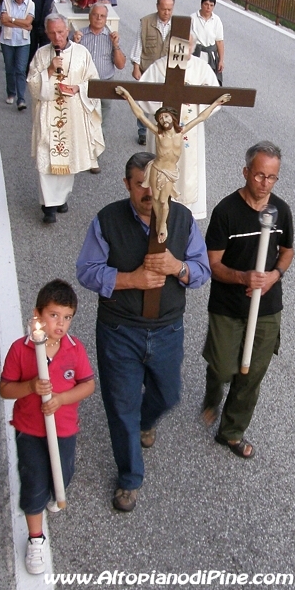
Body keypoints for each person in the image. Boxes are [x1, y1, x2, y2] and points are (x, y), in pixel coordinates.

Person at [76, 152, 211, 512]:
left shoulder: (182, 219)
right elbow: (86, 270)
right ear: (127, 185)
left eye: (157, 184)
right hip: (119, 329)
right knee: (120, 405)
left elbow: (201, 270)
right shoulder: (107, 219)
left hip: (167, 328)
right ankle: (129, 477)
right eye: (141, 185)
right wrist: (129, 279)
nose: (150, 193)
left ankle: (146, 420)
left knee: (168, 395)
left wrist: (177, 267)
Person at [202, 141, 294, 459]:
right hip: (228, 305)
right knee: (224, 366)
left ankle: (231, 431)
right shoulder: (226, 212)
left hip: (267, 307)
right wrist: (243, 278)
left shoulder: (281, 211)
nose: (264, 183)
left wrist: (274, 276)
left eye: (271, 177)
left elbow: (287, 251)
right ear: (246, 172)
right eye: (259, 176)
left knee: (251, 373)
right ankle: (213, 392)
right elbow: (213, 264)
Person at [0, 279, 95, 575]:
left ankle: (54, 493)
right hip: (30, 428)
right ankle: (35, 538)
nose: (60, 324)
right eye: (53, 315)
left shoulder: (73, 349)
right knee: (33, 481)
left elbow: (88, 385)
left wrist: (62, 398)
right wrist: (29, 386)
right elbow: (5, 389)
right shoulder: (20, 349)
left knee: (62, 474)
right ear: (37, 315)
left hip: (64, 428)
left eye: (67, 318)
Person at [115, 87, 230, 243]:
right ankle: (158, 225)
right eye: (161, 118)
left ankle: (162, 225)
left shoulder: (180, 133)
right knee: (155, 197)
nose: (164, 120)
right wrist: (128, 96)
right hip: (157, 168)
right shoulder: (158, 133)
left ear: (173, 118)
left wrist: (216, 102)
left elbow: (201, 117)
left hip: (170, 171)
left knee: (164, 200)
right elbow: (140, 115)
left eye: (167, 117)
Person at [27, 13, 104, 223]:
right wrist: (50, 70)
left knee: (68, 157)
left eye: (60, 32)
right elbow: (33, 85)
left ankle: (60, 199)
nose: (57, 37)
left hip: (72, 113)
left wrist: (79, 88)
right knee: (46, 158)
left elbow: (93, 81)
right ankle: (48, 206)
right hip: (48, 113)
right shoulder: (42, 55)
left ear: (67, 30)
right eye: (52, 33)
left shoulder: (82, 53)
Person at [136, 38, 220, 220]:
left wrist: (192, 100)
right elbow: (142, 96)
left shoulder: (201, 68)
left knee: (187, 173)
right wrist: (163, 105)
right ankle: (156, 213)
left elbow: (216, 98)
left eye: (190, 45)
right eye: (182, 44)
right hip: (163, 135)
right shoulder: (159, 68)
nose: (185, 49)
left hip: (189, 132)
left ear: (195, 46)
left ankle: (183, 217)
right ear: (171, 44)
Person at [72, 3, 126, 136]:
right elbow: (69, 60)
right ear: (90, 16)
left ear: (106, 18)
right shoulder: (80, 35)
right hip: (84, 83)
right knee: (82, 116)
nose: (98, 18)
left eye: (102, 16)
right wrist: (75, 43)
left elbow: (121, 65)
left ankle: (97, 151)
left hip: (105, 82)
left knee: (102, 121)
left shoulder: (112, 37)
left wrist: (116, 46)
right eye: (95, 15)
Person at [130, 0, 175, 144]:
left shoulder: (178, 25)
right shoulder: (145, 22)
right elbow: (138, 45)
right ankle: (143, 132)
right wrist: (136, 66)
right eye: (163, 9)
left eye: (169, 9)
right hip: (147, 70)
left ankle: (163, 130)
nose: (166, 13)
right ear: (157, 7)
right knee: (144, 103)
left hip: (167, 73)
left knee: (165, 104)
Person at [0, 0, 33, 110]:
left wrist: (12, 20)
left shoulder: (30, 4)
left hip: (23, 41)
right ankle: (11, 92)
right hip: (7, 40)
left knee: (20, 69)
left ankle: (21, 98)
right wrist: (21, 23)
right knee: (9, 68)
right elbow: (4, 21)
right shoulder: (6, 2)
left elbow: (28, 23)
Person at [27, 0, 60, 65]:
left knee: (45, 52)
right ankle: (29, 74)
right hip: (33, 26)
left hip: (47, 27)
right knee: (30, 52)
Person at [190, 0, 225, 84]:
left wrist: (221, 60)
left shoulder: (216, 20)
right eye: (206, 4)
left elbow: (219, 41)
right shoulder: (192, 18)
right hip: (195, 55)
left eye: (211, 5)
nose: (208, 8)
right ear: (201, 4)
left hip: (210, 56)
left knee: (209, 83)